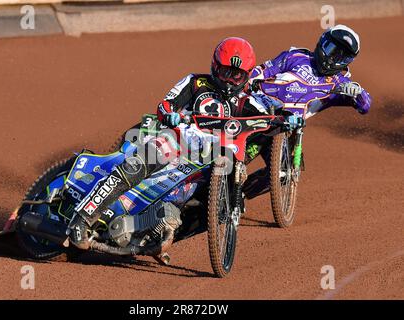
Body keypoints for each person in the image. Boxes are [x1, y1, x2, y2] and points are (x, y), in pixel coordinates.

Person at [67, 37, 288, 249]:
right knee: (135, 165)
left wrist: (288, 120)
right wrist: (169, 114)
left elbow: (269, 122)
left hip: (208, 162)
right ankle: (82, 218)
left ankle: (154, 234)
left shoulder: (247, 102)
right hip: (176, 141)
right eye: (225, 72)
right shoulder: (194, 82)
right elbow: (166, 104)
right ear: (214, 66)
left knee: (210, 205)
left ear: (246, 76)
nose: (230, 80)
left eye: (237, 76)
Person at [243, 24, 372, 199]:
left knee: (283, 173)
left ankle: (237, 196)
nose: (333, 57)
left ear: (348, 61)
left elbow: (365, 106)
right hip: (258, 109)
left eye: (341, 56)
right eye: (331, 49)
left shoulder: (340, 83)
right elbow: (265, 69)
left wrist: (358, 93)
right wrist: (251, 79)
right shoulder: (296, 56)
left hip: (286, 129)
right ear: (322, 42)